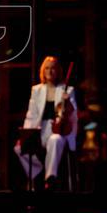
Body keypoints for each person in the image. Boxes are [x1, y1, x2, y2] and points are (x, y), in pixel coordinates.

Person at [14, 56, 78, 189]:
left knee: (56, 140)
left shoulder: (67, 90)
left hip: (58, 130)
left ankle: (50, 178)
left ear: (58, 71)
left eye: (53, 68)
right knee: (19, 148)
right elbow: (31, 115)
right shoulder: (36, 90)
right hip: (40, 129)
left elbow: (73, 115)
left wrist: (68, 102)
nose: (50, 71)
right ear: (43, 71)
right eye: (47, 68)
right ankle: (38, 172)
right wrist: (25, 135)